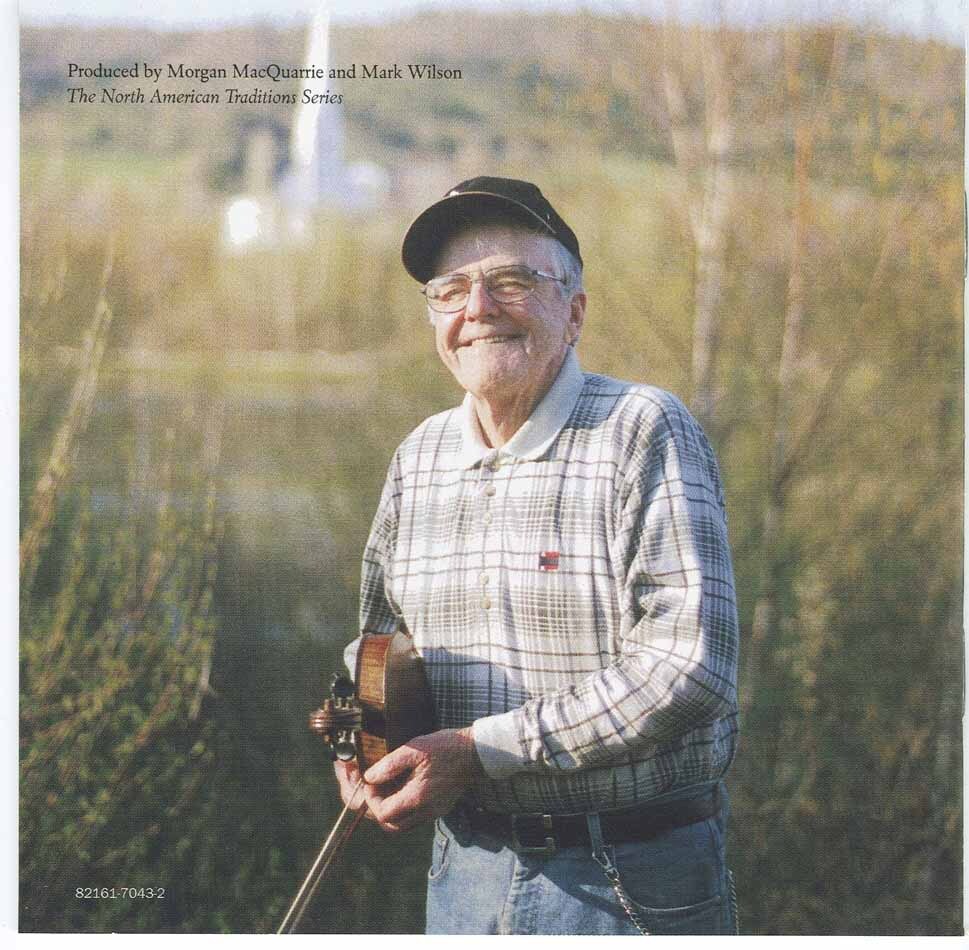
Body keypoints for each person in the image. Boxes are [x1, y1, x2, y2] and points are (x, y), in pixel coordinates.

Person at [334, 177, 740, 935]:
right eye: (450, 290)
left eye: (512, 281)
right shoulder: (418, 456)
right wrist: (360, 734)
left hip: (627, 877)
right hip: (464, 873)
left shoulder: (642, 428)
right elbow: (383, 646)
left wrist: (477, 751)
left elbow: (690, 669)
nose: (477, 309)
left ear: (574, 312)